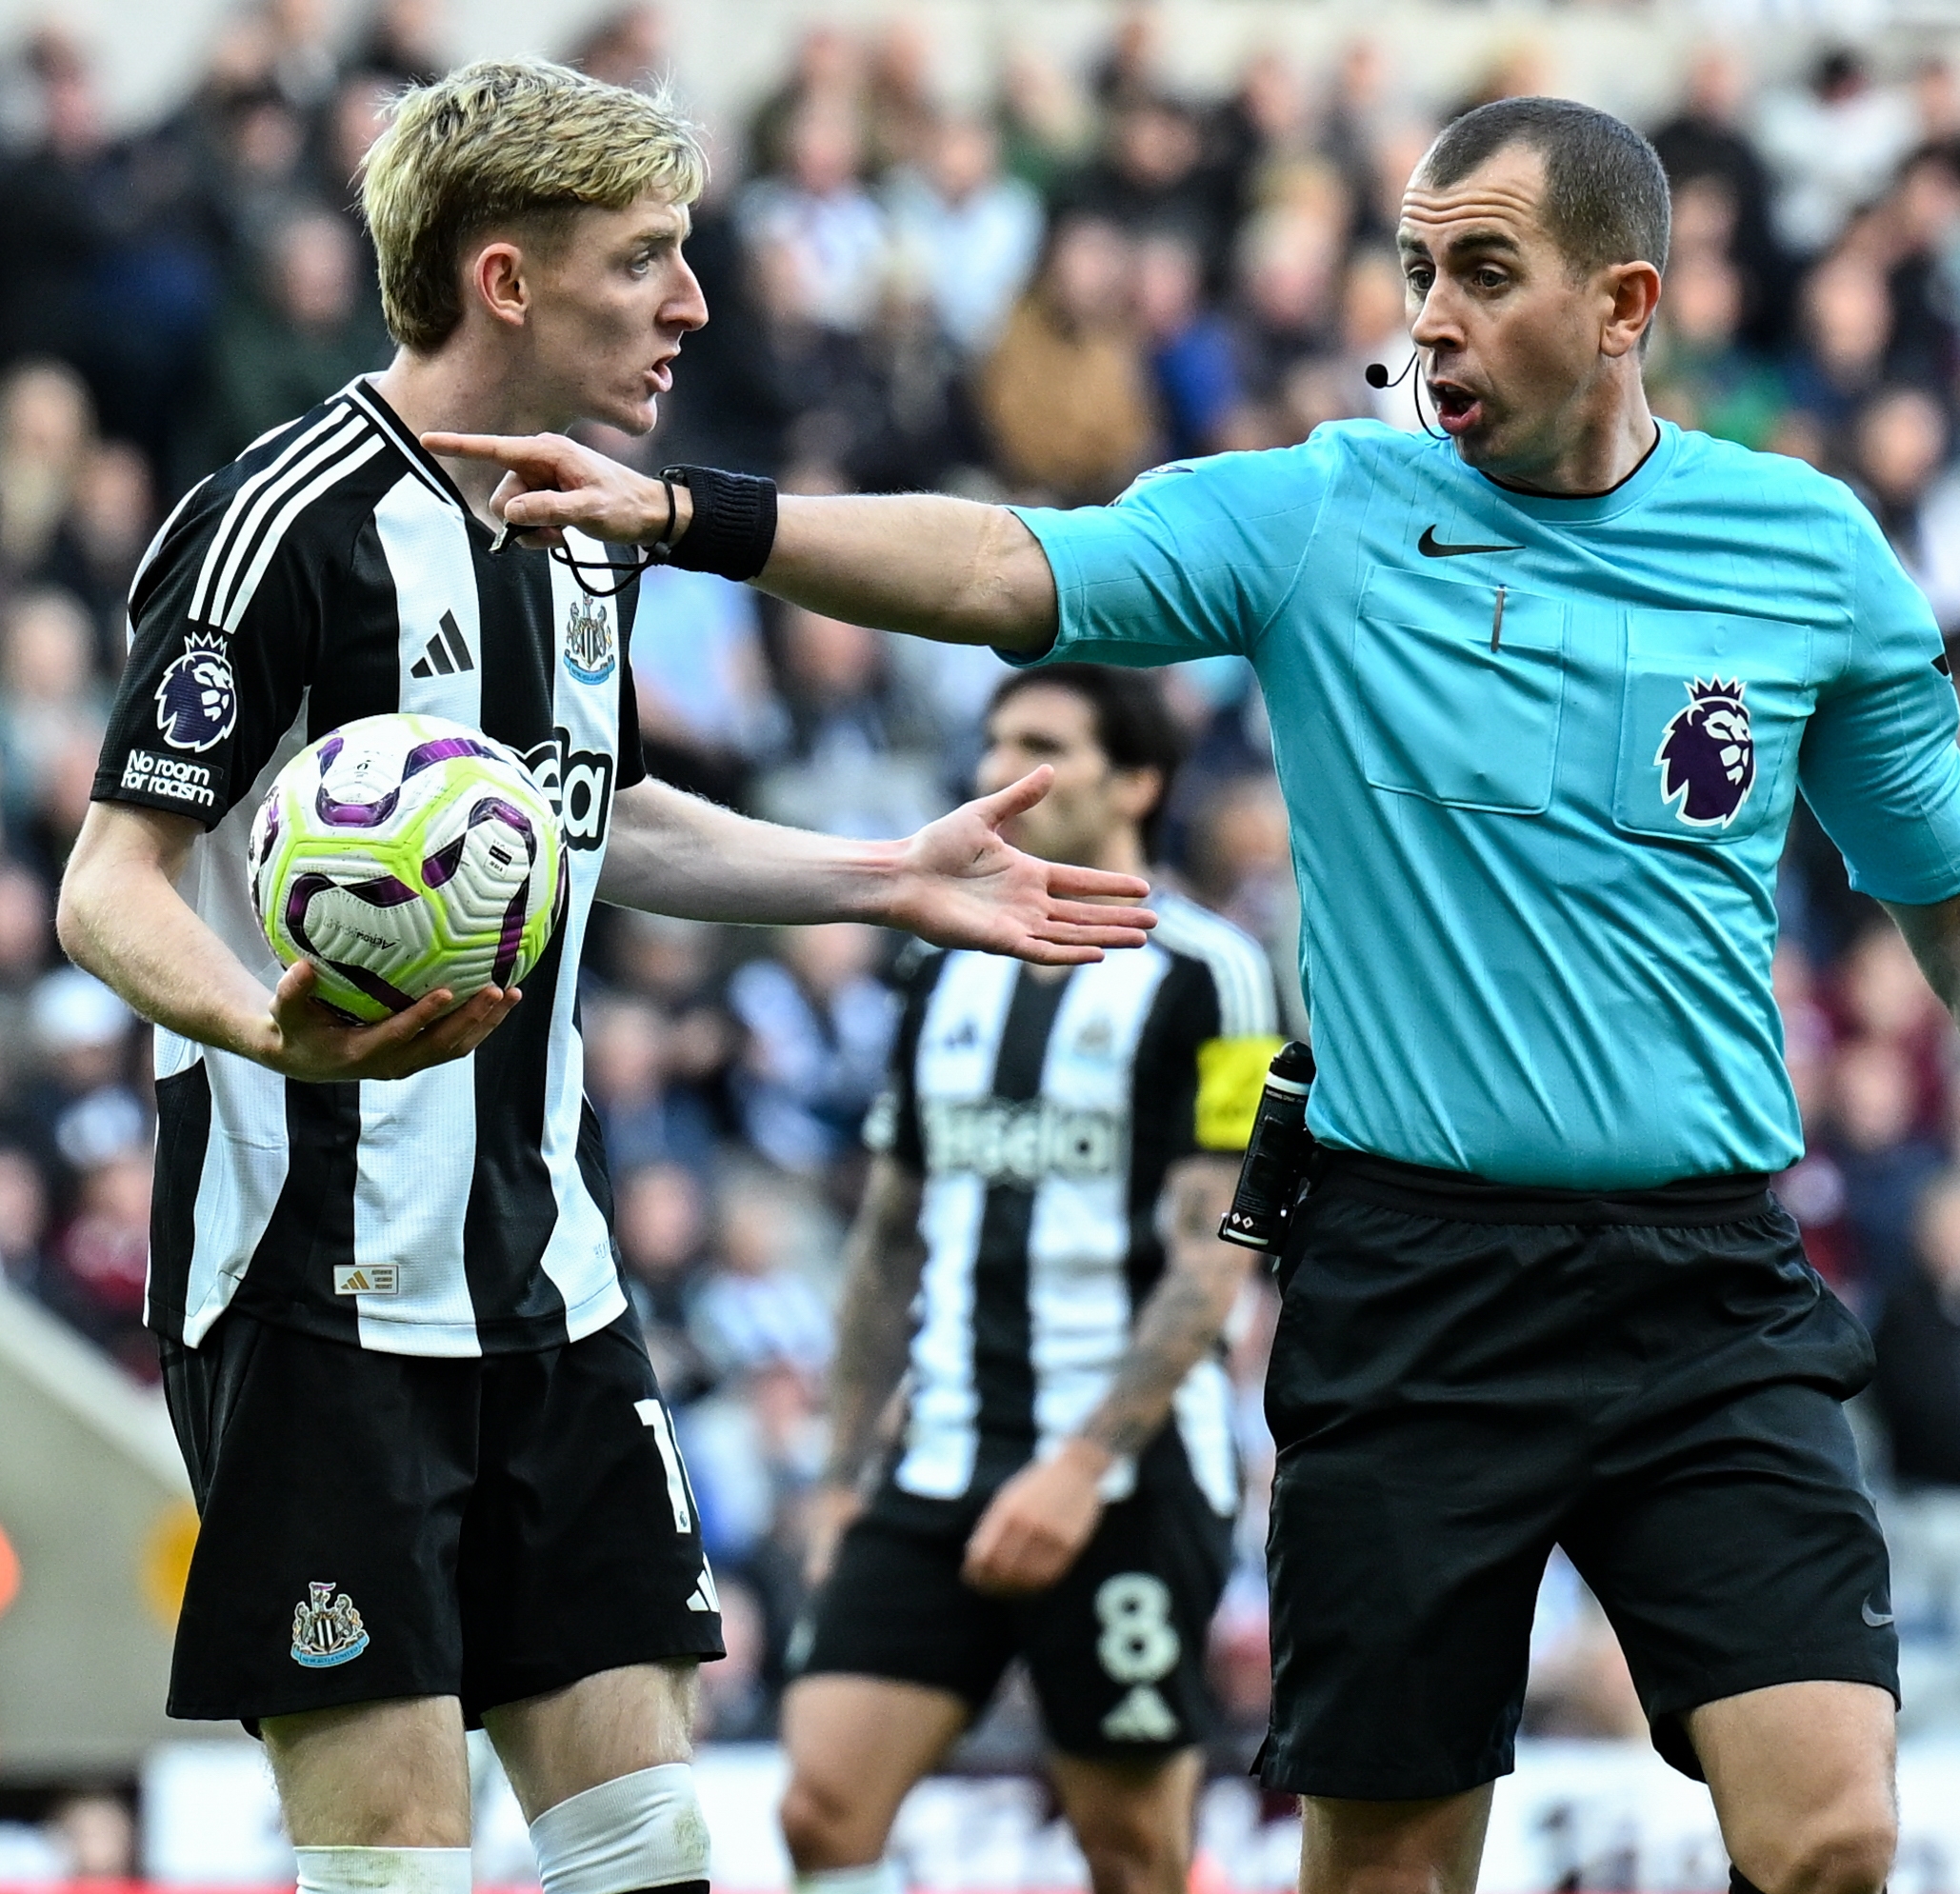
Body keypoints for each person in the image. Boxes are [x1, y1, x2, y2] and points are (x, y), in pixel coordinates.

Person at [431, 94, 1960, 1894]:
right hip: (1414, 1289)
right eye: (1417, 267)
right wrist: (689, 513)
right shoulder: (1324, 517)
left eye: (1486, 272)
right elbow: (1000, 565)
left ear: (1625, 302)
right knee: (1380, 1871)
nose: (1430, 313)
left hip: (1708, 1288)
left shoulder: (1804, 553)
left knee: (1831, 1831)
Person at [50, 59, 1154, 1894]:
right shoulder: (281, 528)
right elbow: (111, 882)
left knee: (649, 1847)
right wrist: (271, 1027)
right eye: (646, 258)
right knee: (394, 1862)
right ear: (503, 280)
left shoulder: (591, 529)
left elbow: (588, 815)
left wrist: (881, 875)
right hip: (316, 1294)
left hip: (549, 1279)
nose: (691, 303)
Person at [781, 662, 1278, 1894]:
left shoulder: (1215, 973)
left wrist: (1078, 1465)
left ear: (1139, 780)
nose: (999, 767)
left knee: (1133, 1850)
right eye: (993, 738)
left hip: (1124, 1479)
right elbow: (890, 1237)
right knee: (820, 1808)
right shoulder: (938, 962)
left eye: (1040, 742)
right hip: (941, 1459)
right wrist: (844, 1477)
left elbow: (1216, 1245)